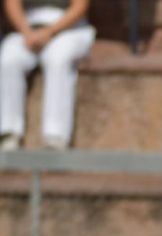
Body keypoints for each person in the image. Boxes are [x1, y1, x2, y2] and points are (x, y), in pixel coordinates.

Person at [0, 0, 94, 150]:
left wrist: (49, 32)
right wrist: (27, 32)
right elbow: (12, 4)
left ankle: (56, 137)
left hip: (68, 29)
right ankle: (8, 133)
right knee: (8, 59)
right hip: (27, 28)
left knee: (57, 59)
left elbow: (80, 7)